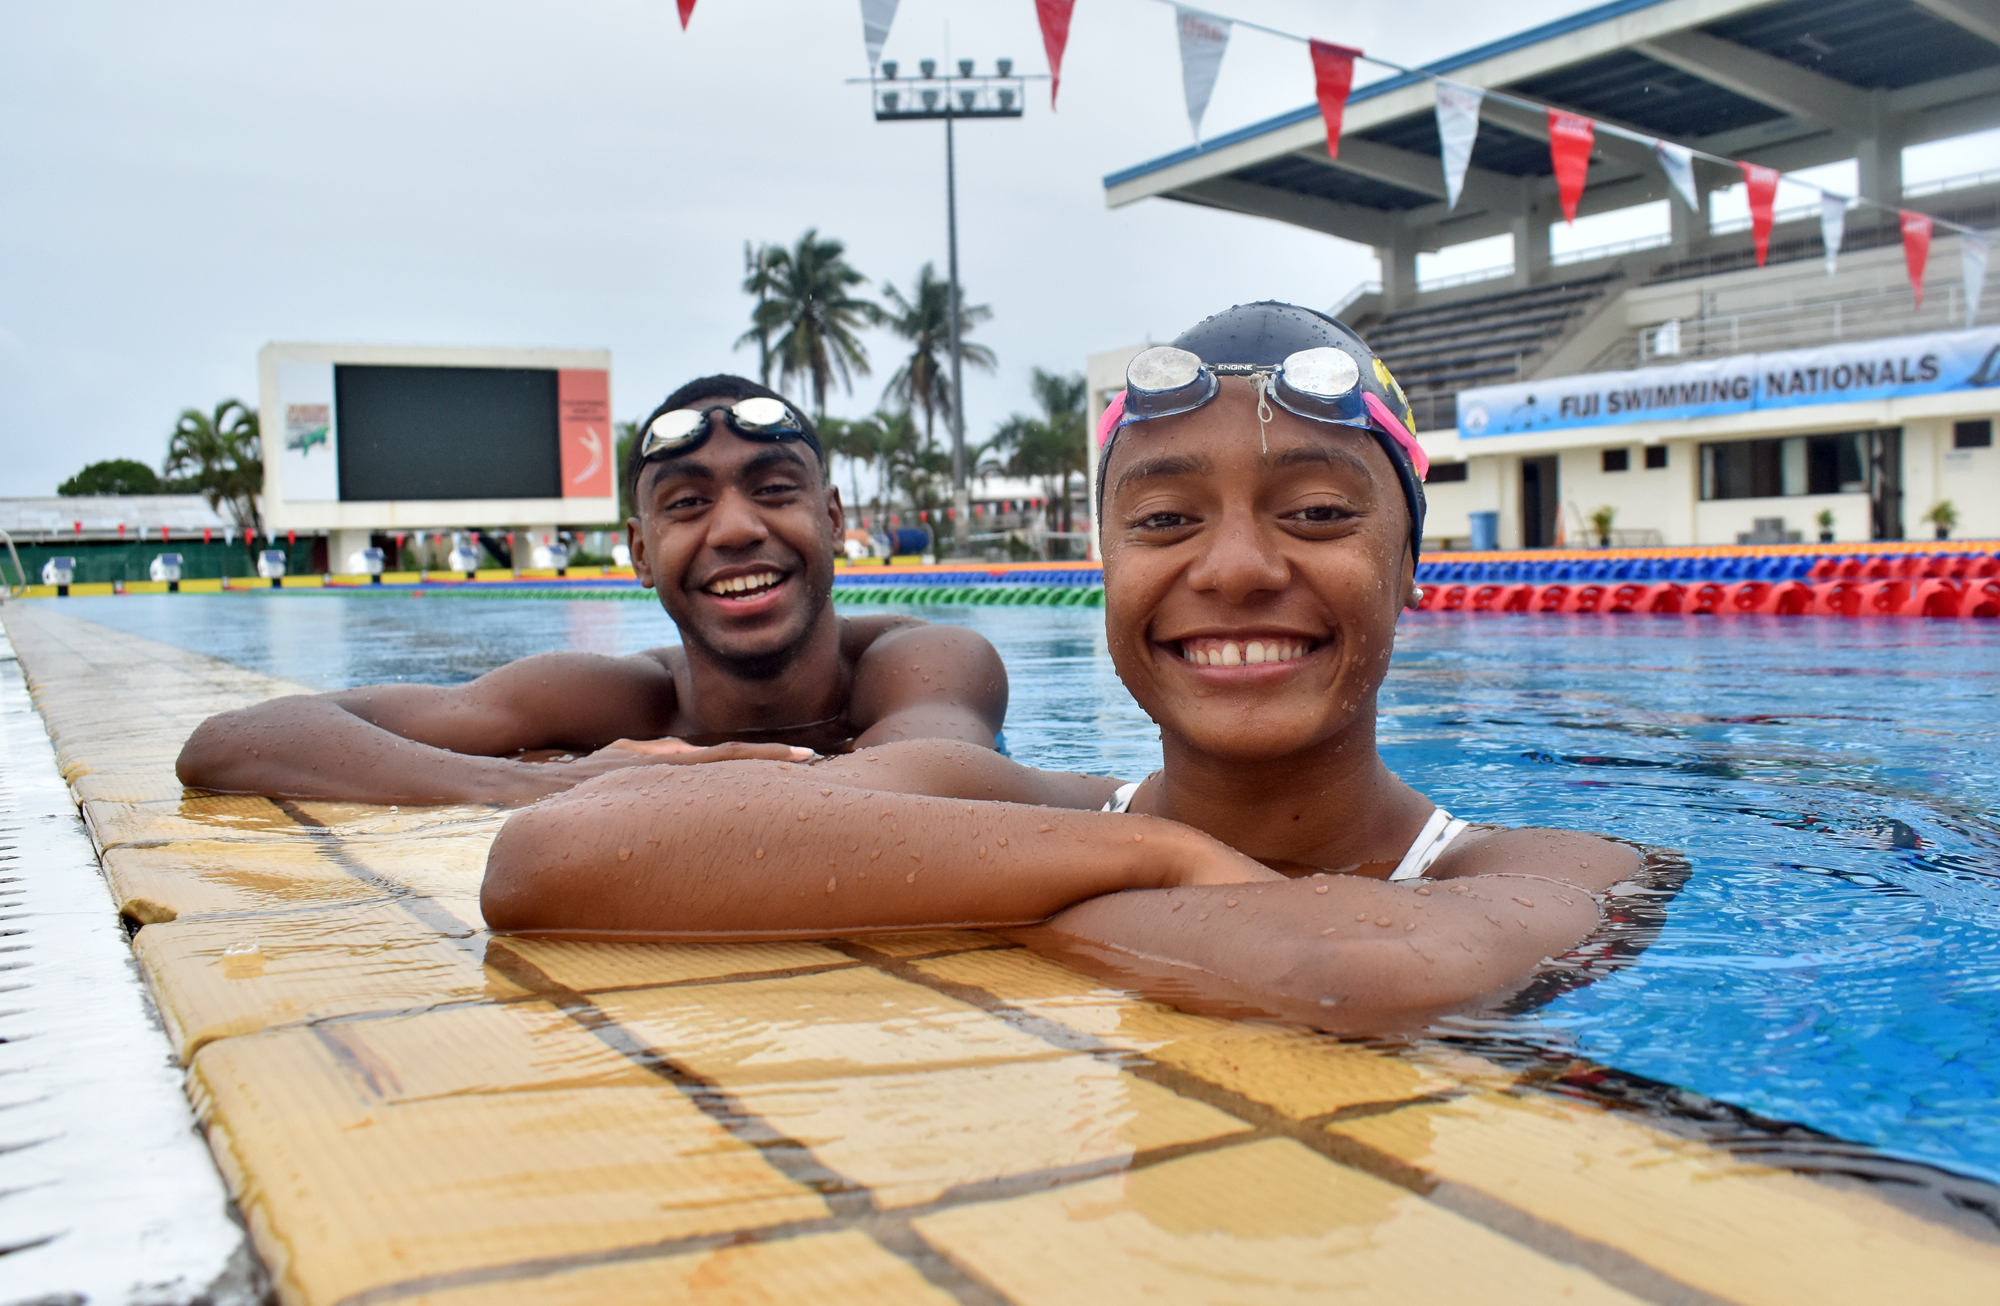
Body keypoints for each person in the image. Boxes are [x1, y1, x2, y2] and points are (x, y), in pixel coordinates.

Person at [481, 307, 1644, 1030]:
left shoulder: (1577, 861)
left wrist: (980, 884)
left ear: (1405, 567)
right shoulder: (996, 793)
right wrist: (1156, 848)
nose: (1233, 569)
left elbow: (1359, 971)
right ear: (1107, 573)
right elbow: (551, 856)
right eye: (1163, 522)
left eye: (1319, 510)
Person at [176, 375, 1008, 806]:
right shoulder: (617, 703)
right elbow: (234, 741)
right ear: (640, 554)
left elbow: (921, 785)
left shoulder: (928, 661)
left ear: (833, 518)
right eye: (687, 504)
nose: (733, 530)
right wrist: (531, 784)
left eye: (775, 489)